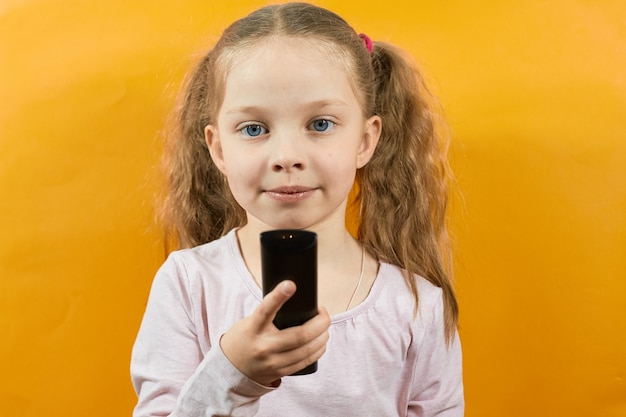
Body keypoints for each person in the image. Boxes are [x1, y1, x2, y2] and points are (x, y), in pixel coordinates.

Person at [131, 2, 463, 416]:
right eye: (254, 129)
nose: (287, 156)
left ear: (365, 140)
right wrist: (231, 372)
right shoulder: (188, 285)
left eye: (320, 124)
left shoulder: (416, 306)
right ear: (217, 148)